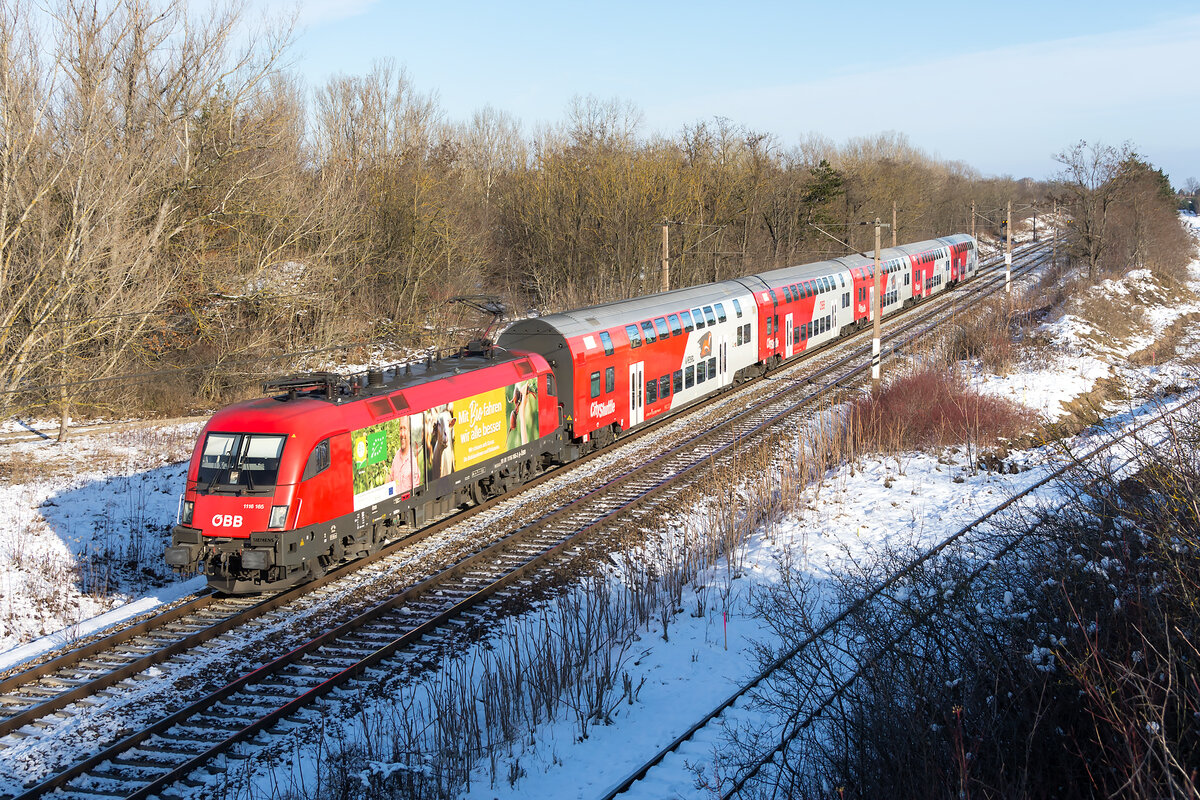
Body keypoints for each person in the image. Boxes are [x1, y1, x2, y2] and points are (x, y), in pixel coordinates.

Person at [390, 422, 415, 495]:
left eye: (405, 429)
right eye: (400, 429)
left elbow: (417, 486)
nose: (402, 433)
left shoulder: (413, 459)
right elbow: (391, 478)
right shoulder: (396, 456)